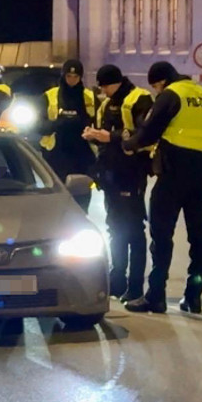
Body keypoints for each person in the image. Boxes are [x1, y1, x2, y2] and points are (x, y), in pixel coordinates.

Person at [122, 61, 202, 315]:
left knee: (162, 236)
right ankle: (193, 297)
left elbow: (149, 132)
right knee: (198, 235)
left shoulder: (170, 95)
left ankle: (156, 297)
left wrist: (128, 145)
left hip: (174, 173)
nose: (155, 92)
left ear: (161, 81)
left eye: (155, 87)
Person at [82, 65, 154, 303]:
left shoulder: (138, 99)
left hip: (131, 174)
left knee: (133, 230)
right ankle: (118, 279)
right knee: (115, 228)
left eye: (104, 85)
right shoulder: (105, 105)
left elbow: (145, 134)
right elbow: (103, 140)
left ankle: (135, 285)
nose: (102, 90)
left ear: (115, 82)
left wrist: (109, 136)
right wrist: (93, 134)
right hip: (111, 175)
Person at [39, 60, 95, 182]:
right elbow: (39, 126)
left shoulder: (90, 97)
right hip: (56, 153)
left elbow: (98, 123)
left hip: (82, 154)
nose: (72, 80)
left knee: (82, 193)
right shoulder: (49, 96)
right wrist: (59, 123)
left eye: (76, 76)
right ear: (63, 75)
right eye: (68, 76)